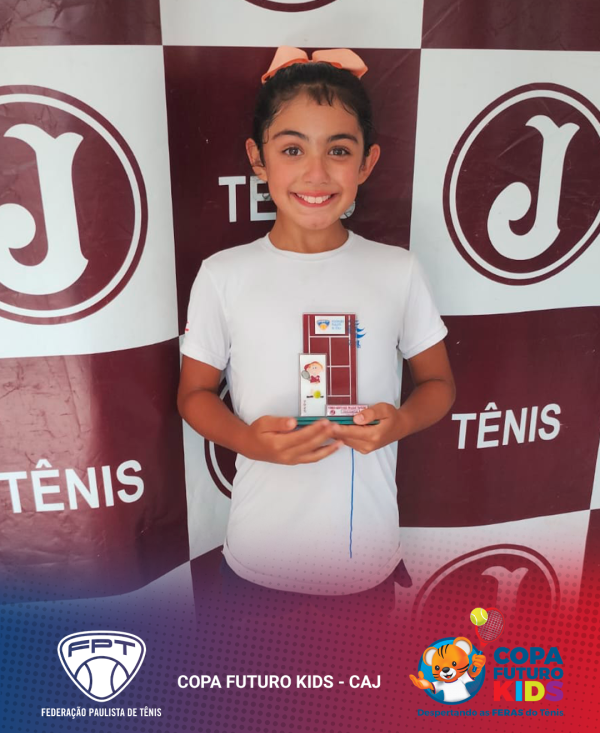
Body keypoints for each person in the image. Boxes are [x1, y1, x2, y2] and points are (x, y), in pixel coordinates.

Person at [178, 46, 455, 621]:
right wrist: (249, 441)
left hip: (367, 566)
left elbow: (438, 384)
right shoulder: (223, 275)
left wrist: (401, 421)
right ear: (257, 159)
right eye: (292, 149)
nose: (316, 173)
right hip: (258, 563)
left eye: (339, 150)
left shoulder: (397, 269)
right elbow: (194, 395)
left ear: (367, 162)